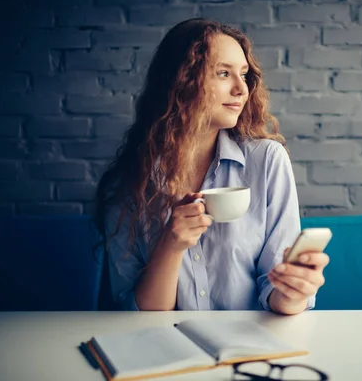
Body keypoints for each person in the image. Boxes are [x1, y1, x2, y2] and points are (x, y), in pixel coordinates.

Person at [93, 18, 330, 314]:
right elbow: (136, 313)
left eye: (244, 75)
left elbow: (275, 294)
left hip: (250, 344)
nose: (241, 89)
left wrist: (294, 290)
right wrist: (171, 244)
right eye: (223, 73)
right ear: (181, 81)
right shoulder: (128, 185)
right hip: (167, 347)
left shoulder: (267, 161)